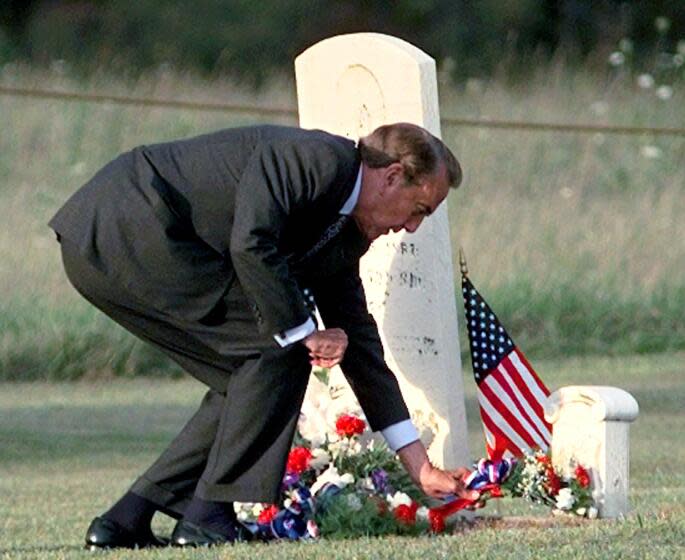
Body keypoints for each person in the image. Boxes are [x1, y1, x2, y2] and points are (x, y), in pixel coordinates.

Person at [49, 122, 478, 549]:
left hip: (116, 244)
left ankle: (127, 517)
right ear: (391, 177)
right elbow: (251, 241)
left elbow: (361, 345)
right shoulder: (318, 160)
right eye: (420, 209)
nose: (413, 227)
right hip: (126, 221)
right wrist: (303, 333)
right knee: (280, 351)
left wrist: (420, 466)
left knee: (247, 377)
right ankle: (206, 517)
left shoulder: (345, 234)